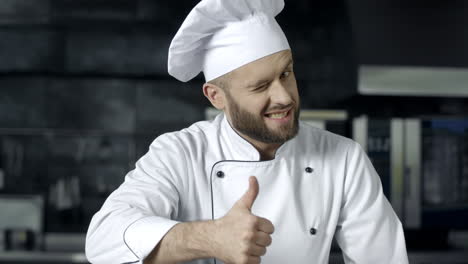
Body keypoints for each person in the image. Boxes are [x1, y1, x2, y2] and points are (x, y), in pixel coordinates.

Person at [85, 0, 409, 263]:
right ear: (217, 97)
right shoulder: (180, 153)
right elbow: (103, 240)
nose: (284, 96)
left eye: (286, 73)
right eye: (260, 86)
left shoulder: (344, 159)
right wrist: (209, 238)